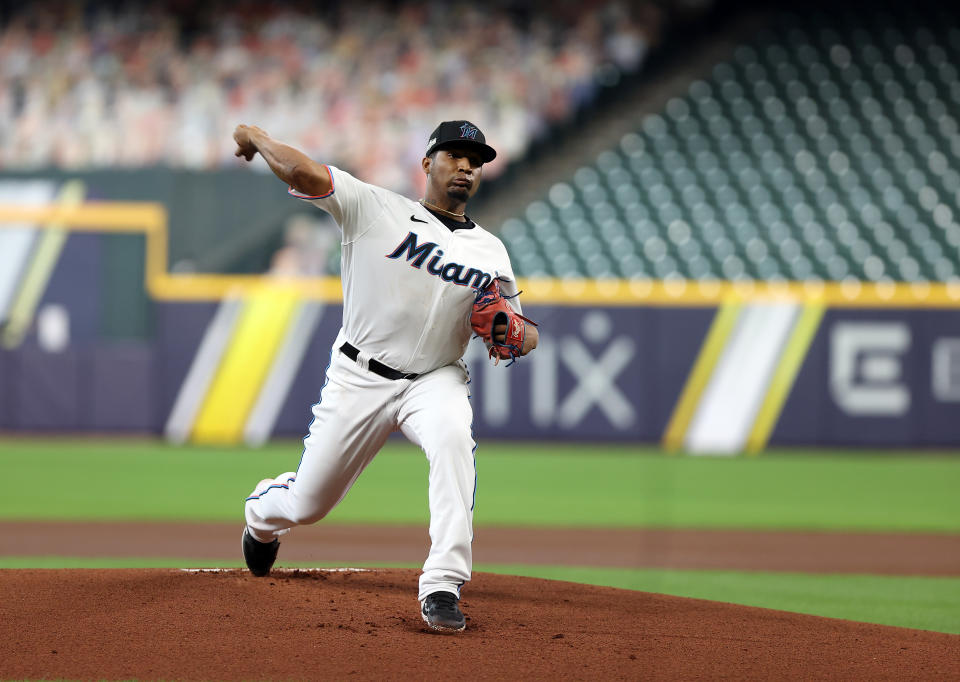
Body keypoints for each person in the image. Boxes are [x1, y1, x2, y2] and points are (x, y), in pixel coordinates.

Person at [232, 120, 539, 633]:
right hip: (360, 376)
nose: (466, 166)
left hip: (435, 378)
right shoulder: (375, 208)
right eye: (454, 155)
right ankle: (262, 518)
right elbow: (306, 174)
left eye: (475, 160)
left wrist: (511, 328)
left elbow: (523, 336)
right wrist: (256, 137)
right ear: (426, 164)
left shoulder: (491, 251)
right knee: (307, 504)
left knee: (452, 439)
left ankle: (442, 583)